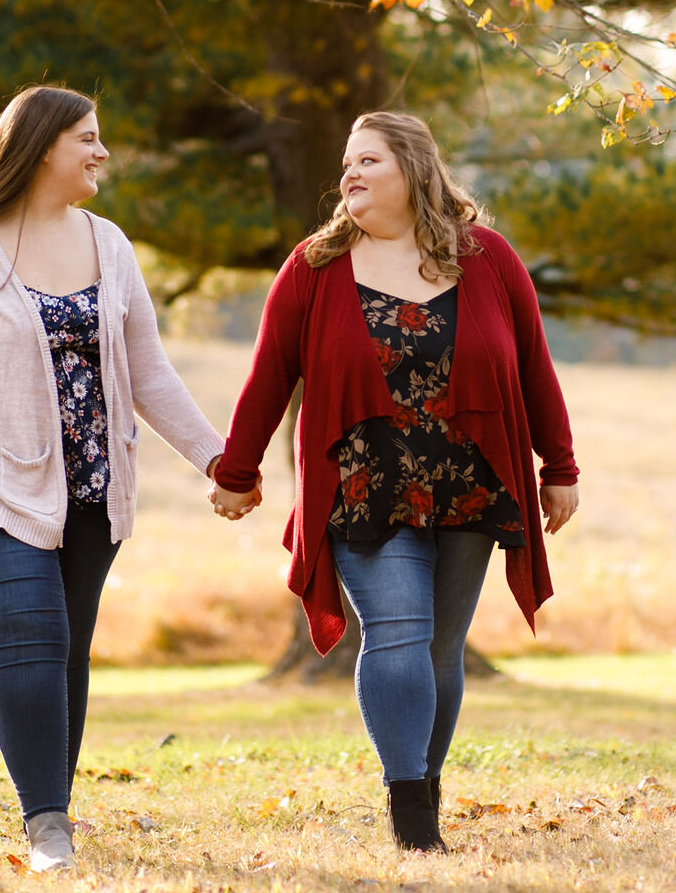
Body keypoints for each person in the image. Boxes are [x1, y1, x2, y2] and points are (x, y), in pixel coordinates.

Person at [210, 111, 579, 854]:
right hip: (364, 485)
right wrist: (238, 471)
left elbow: (534, 366)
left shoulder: (489, 259)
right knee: (399, 633)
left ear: (413, 169)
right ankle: (410, 816)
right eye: (345, 163)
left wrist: (559, 467)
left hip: (471, 481)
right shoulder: (314, 266)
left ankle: (425, 790)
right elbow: (269, 377)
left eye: (367, 161)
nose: (349, 174)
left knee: (442, 648)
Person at [0, 85, 227, 873]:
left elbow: (150, 372)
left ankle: (56, 811)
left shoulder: (109, 245)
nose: (101, 152)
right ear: (43, 146)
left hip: (91, 488)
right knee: (30, 640)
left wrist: (220, 458)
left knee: (66, 650)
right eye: (88, 138)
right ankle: (46, 827)